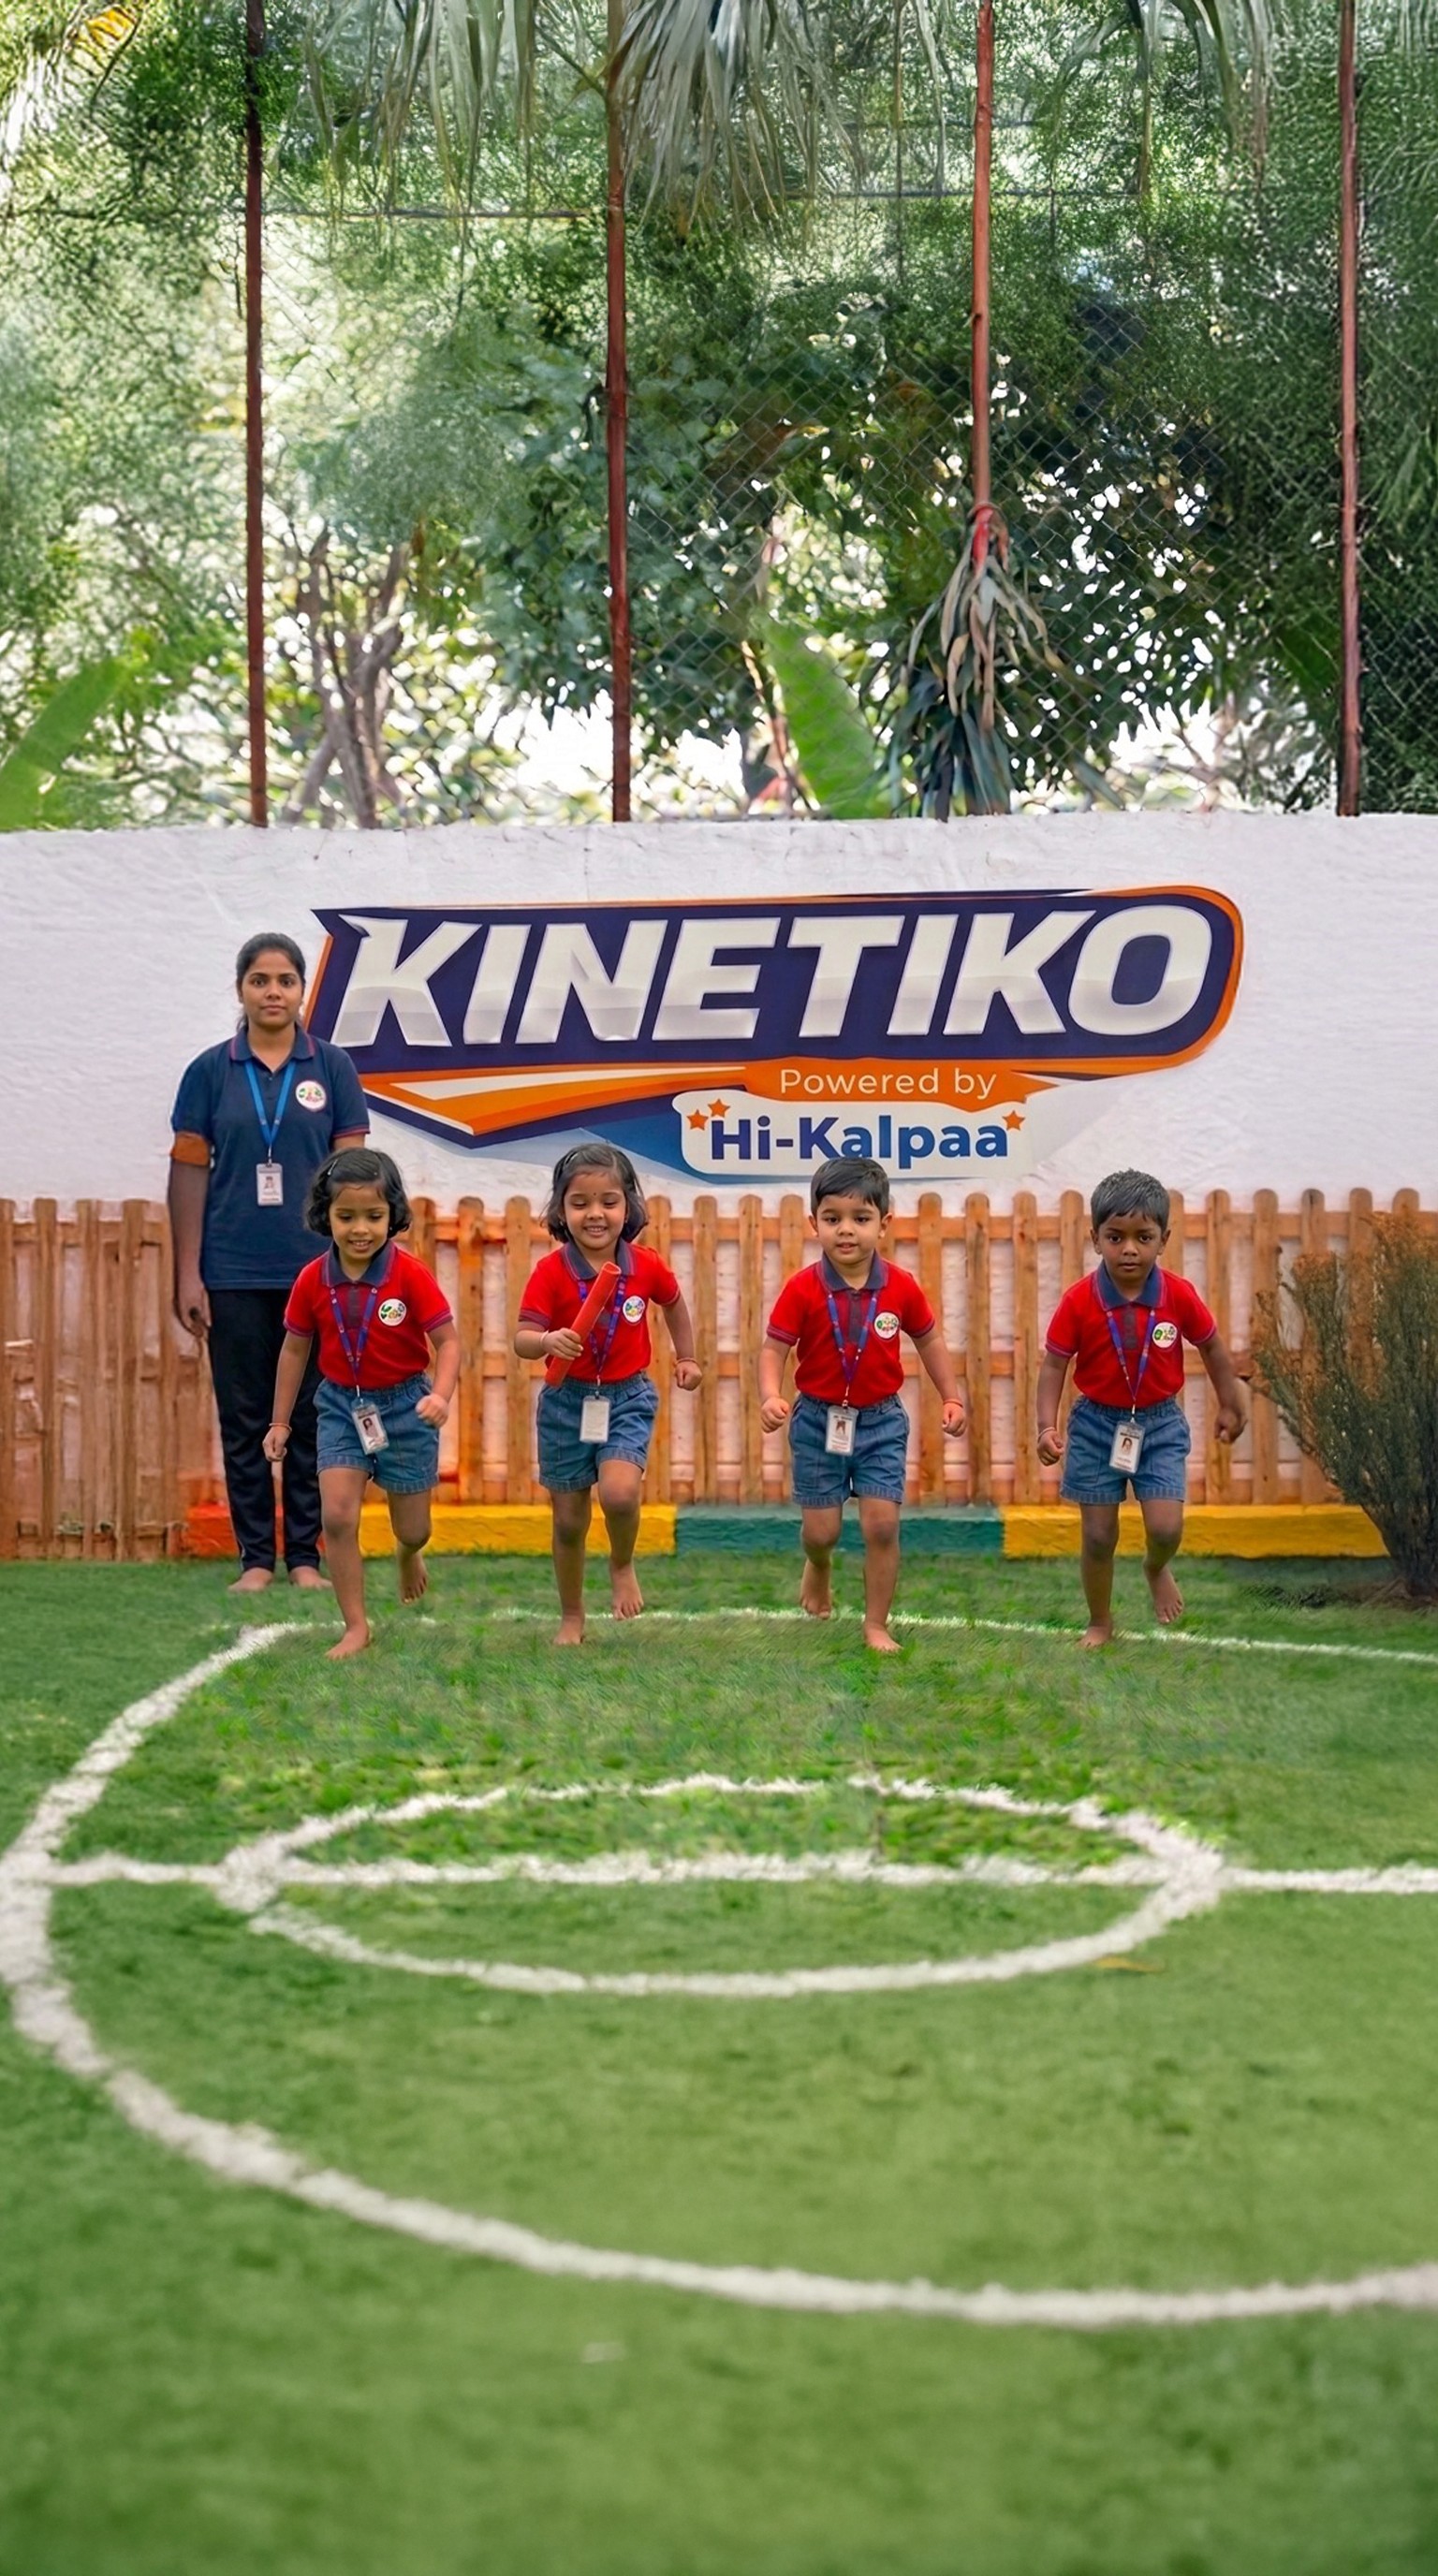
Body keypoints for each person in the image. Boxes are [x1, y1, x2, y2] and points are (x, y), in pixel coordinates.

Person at [169, 931, 368, 1594]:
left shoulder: (333, 1068)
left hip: (317, 1275)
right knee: (245, 1418)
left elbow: (355, 1178)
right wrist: (188, 1273)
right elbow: (188, 1175)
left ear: (302, 990)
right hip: (231, 1273)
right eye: (260, 980)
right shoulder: (208, 1072)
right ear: (241, 990)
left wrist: (353, 1268)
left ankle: (305, 1557)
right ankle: (256, 1559)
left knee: (314, 1417)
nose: (273, 992)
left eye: (285, 980)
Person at [759, 1155, 966, 1653]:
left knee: (882, 1525)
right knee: (822, 1531)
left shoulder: (901, 1286)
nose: (846, 1230)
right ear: (814, 1223)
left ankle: (876, 1624)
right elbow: (773, 1348)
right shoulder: (802, 1288)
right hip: (816, 1422)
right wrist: (770, 1394)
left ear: (884, 1223)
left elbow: (930, 1340)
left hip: (881, 1423)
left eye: (860, 1218)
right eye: (833, 1218)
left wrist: (952, 1396)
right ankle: (818, 1565)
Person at [1036, 1167, 1247, 1647]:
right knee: (1098, 1536)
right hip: (1095, 1426)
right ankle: (1100, 1622)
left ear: (1163, 1239)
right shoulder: (1079, 1301)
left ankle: (1155, 1566)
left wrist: (1230, 1403)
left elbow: (1212, 1347)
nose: (1129, 1249)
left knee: (1166, 1527)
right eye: (1116, 1237)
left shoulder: (1178, 1294)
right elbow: (1053, 1366)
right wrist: (1045, 1426)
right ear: (1095, 1239)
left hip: (1160, 1424)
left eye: (1143, 1237)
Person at [264, 1149, 458, 1660]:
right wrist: (280, 1422)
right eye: (346, 1216)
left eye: (373, 1216)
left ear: (392, 1215)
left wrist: (440, 1395)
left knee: (413, 1528)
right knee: (337, 1516)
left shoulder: (410, 1275)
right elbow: (294, 1350)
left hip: (407, 1407)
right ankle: (355, 1626)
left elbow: (449, 1343)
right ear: (325, 1215)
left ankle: (407, 1553)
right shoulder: (312, 1280)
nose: (360, 1229)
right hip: (340, 1408)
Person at [514, 1143, 701, 1646]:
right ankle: (572, 1615)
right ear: (561, 1211)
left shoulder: (646, 1265)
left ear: (628, 1207)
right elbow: (522, 1339)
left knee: (619, 1493)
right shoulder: (550, 1272)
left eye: (609, 1202)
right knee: (569, 1520)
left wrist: (686, 1356)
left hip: (626, 1397)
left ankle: (622, 1563)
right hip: (565, 1402)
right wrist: (547, 1341)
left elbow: (674, 1304)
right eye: (580, 1203)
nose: (595, 1214)